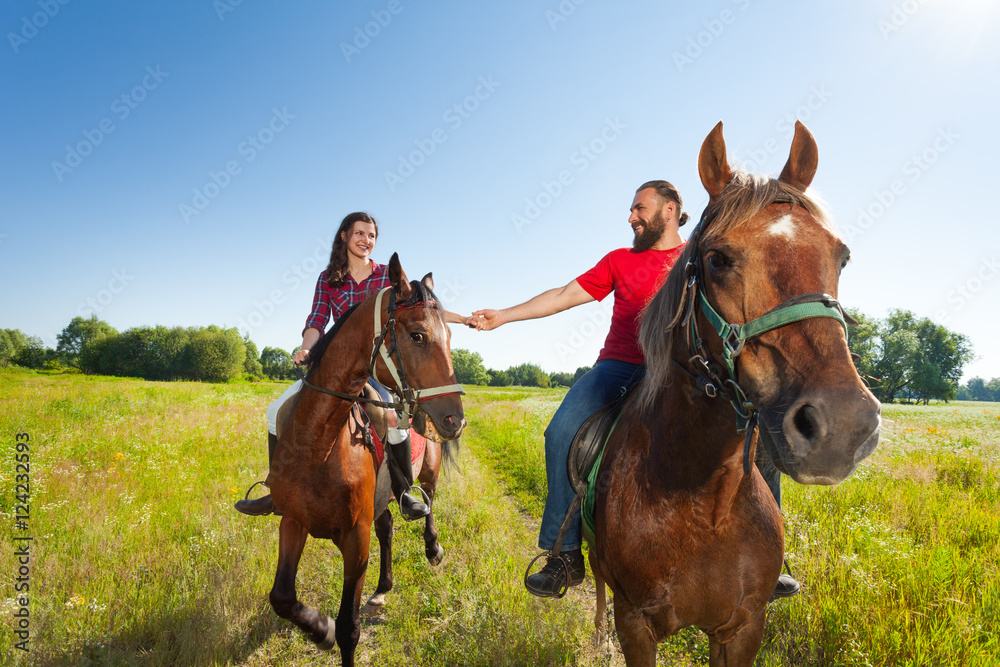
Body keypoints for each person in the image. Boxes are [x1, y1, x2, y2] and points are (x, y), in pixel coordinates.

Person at [472, 181, 688, 596]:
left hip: (678, 370)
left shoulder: (696, 256)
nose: (630, 217)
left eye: (639, 208)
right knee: (561, 430)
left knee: (749, 411)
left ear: (669, 211)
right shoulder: (619, 260)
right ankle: (565, 554)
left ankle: (772, 550)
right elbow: (563, 295)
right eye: (631, 210)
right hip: (619, 367)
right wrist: (504, 316)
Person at [235, 211, 471, 521]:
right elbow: (317, 319)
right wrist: (306, 348)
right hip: (334, 364)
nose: (366, 240)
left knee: (389, 414)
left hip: (373, 367)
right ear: (345, 236)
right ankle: (275, 488)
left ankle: (402, 490)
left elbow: (424, 311)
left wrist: (463, 318)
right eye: (360, 233)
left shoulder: (388, 277)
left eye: (372, 235)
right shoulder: (328, 278)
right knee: (275, 409)